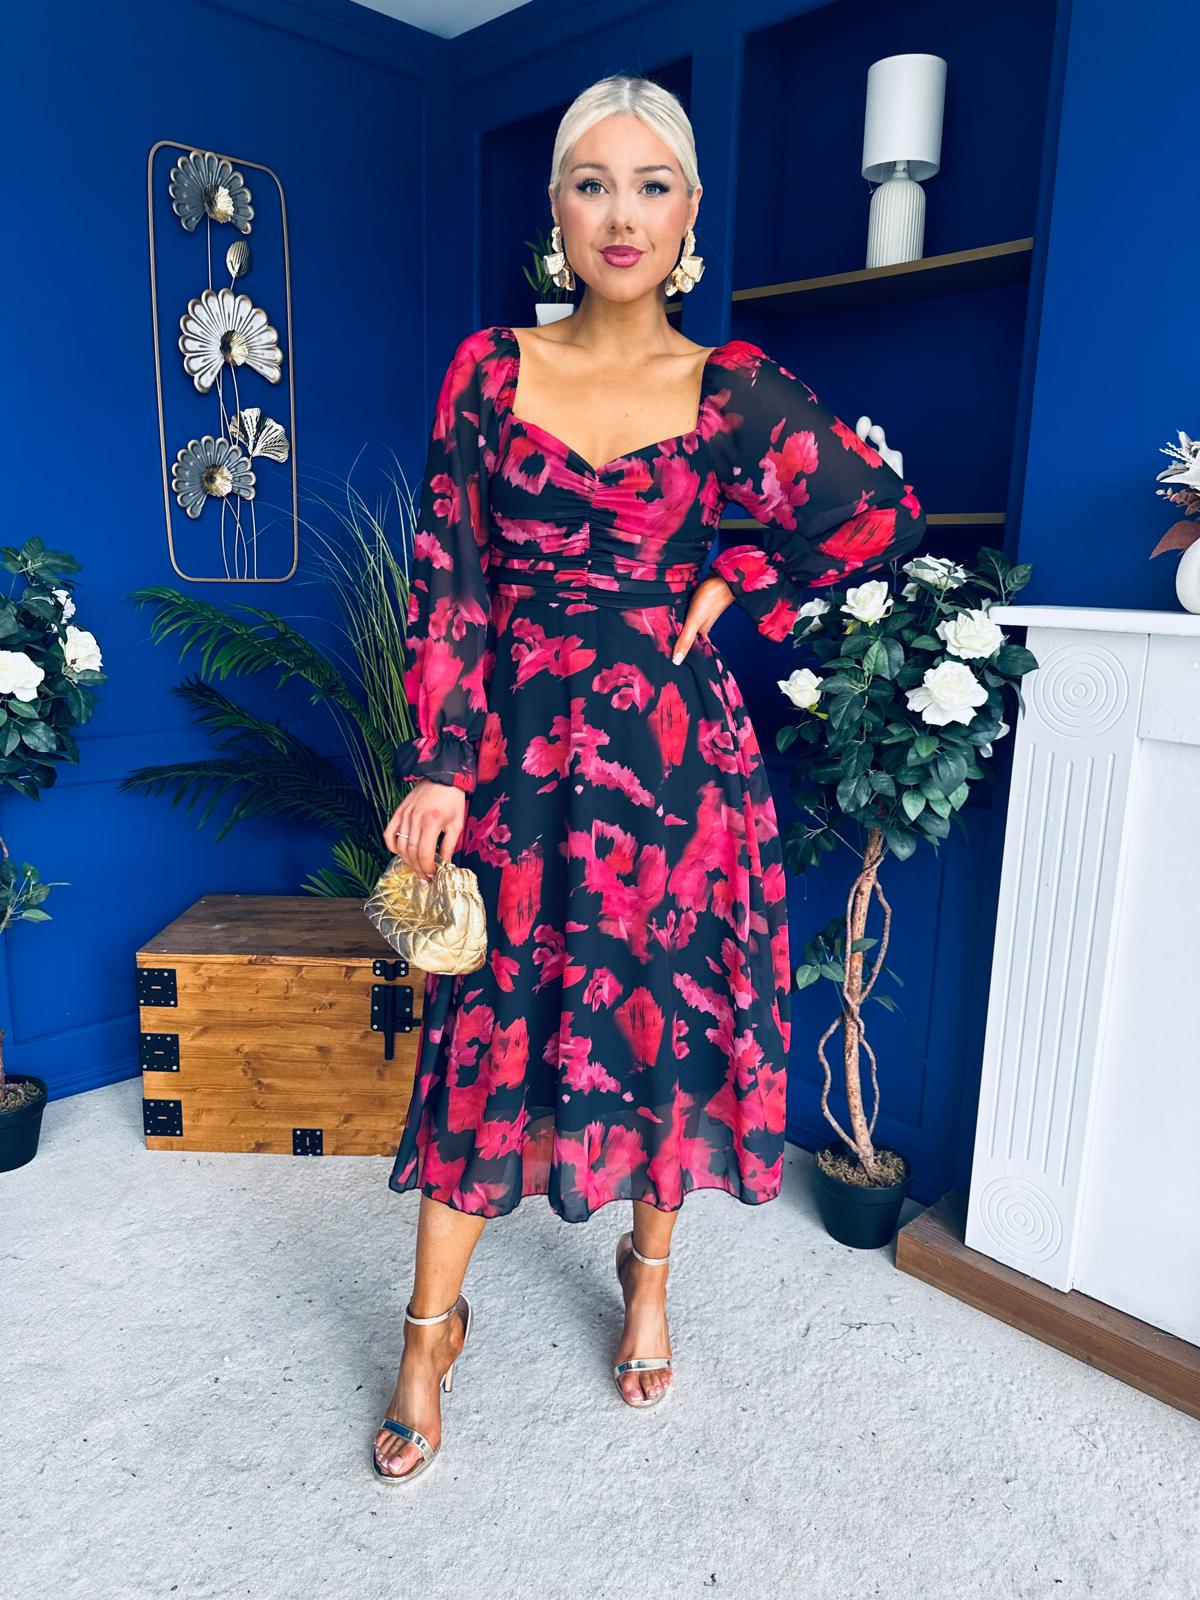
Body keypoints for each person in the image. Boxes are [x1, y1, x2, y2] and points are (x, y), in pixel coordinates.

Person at [372, 72, 927, 1482]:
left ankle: (650, 1276)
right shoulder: (489, 369)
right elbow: (450, 577)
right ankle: (428, 1330)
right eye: (593, 183)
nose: (622, 214)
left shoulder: (728, 386)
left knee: (663, 1025)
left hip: (679, 772)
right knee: (487, 1030)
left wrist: (740, 572)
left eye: (652, 186)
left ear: (689, 217)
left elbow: (877, 515)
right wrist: (438, 763)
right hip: (519, 761)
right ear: (557, 212)